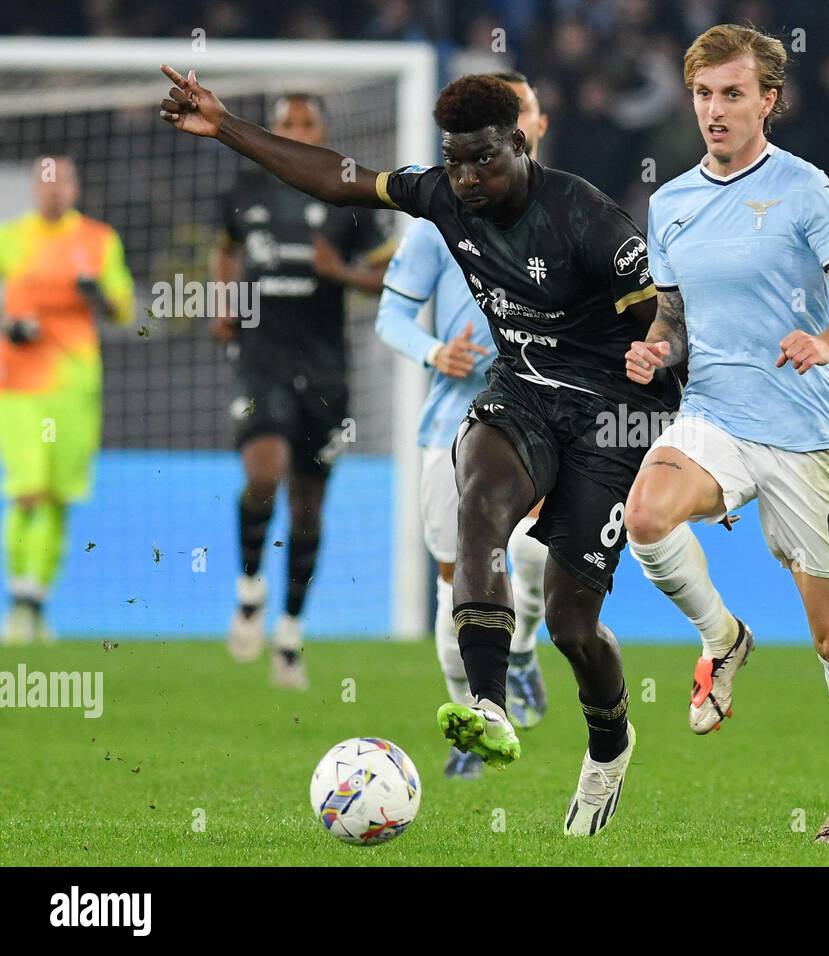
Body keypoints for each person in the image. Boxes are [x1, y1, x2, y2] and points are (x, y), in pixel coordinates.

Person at [159, 67, 678, 835]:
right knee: (478, 506)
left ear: (522, 143)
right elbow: (340, 181)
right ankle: (488, 706)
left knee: (573, 626)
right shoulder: (440, 193)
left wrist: (661, 354)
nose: (467, 178)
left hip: (611, 417)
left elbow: (665, 313)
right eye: (456, 160)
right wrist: (227, 124)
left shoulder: (586, 216)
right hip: (523, 394)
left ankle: (610, 743)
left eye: (484, 161)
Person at [621, 24, 829, 846]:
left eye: (733, 94)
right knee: (646, 517)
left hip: (804, 431)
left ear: (769, 101)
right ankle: (723, 637)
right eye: (704, 94)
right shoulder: (670, 204)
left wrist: (827, 341)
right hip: (714, 412)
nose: (715, 110)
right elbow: (674, 315)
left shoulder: (807, 191)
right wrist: (655, 347)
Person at [374, 71, 551, 780]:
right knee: (456, 589)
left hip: (537, 420)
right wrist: (432, 351)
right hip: (450, 425)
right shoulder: (443, 219)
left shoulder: (566, 212)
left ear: (531, 127)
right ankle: (471, 718)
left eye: (529, 111)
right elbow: (391, 315)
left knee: (535, 554)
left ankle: (525, 647)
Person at [214, 92, 394, 689]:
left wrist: (340, 273)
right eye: (286, 123)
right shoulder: (246, 189)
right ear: (274, 129)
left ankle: (289, 633)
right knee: (263, 474)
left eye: (306, 123)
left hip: (325, 372)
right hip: (261, 360)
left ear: (323, 131)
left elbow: (387, 278)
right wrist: (224, 302)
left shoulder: (346, 196)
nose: (295, 129)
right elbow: (225, 248)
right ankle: (248, 590)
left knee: (309, 508)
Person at [0, 156, 133, 643]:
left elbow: (124, 311)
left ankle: (35, 602)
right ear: (36, 189)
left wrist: (97, 293)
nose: (53, 192)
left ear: (74, 189)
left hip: (75, 386)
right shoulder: (12, 238)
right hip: (18, 383)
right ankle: (18, 600)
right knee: (27, 488)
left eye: (62, 182)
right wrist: (7, 326)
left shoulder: (98, 241)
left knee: (59, 498)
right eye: (45, 182)